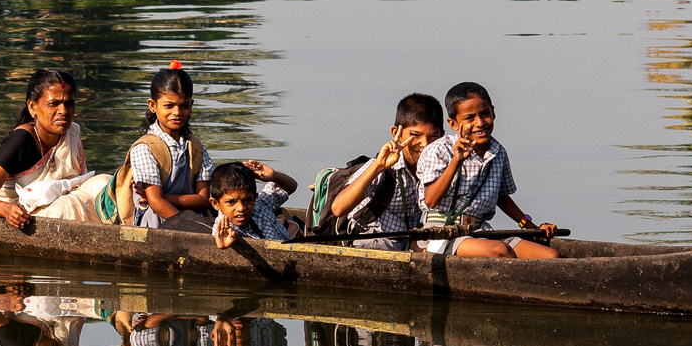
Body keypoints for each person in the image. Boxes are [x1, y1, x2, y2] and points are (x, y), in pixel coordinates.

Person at [417, 81, 559, 259]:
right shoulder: (439, 150)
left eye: (485, 114)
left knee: (550, 256)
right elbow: (430, 200)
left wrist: (531, 227)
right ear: (453, 124)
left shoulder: (498, 152)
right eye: (469, 118)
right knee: (501, 251)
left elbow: (502, 197)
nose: (480, 123)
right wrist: (456, 161)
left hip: (480, 231)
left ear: (493, 112)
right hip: (442, 234)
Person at [0, 69, 111, 228]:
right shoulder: (20, 140)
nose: (63, 111)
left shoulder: (72, 131)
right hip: (25, 212)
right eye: (53, 103)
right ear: (32, 107)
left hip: (58, 200)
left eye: (69, 103)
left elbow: (77, 183)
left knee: (106, 182)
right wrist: (7, 210)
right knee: (65, 208)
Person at [327, 92, 443, 251]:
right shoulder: (384, 166)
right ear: (396, 133)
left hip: (404, 241)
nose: (425, 144)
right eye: (415, 135)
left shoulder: (438, 169)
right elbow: (339, 208)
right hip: (368, 241)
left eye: (433, 137)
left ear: (442, 137)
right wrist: (378, 166)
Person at [126, 63, 214, 229]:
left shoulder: (195, 147)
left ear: (191, 105)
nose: (177, 112)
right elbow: (156, 203)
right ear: (153, 105)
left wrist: (164, 196)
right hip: (158, 223)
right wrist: (187, 227)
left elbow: (203, 199)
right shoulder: (145, 148)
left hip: (195, 219)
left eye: (184, 106)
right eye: (169, 105)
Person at [209, 160, 302, 249]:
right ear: (215, 203)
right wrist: (223, 245)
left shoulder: (260, 204)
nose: (241, 208)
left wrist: (274, 176)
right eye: (231, 202)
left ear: (255, 197)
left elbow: (291, 187)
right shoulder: (224, 226)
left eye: (247, 200)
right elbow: (220, 236)